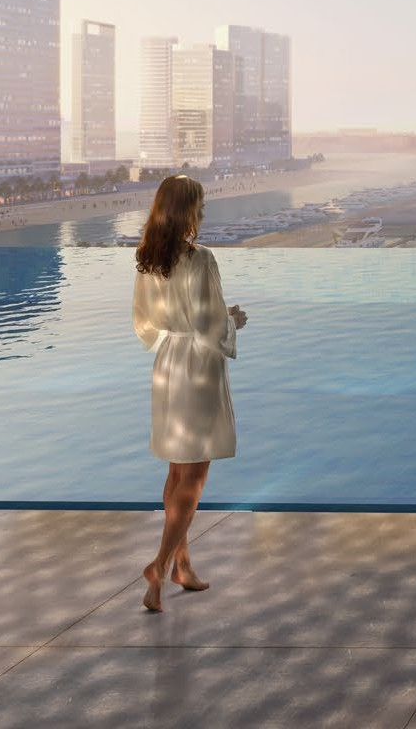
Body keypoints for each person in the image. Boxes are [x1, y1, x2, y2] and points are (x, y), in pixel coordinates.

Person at [131, 174, 248, 612]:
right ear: (188, 210)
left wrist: (201, 323)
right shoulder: (201, 259)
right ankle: (158, 567)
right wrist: (234, 320)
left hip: (168, 364)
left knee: (177, 473)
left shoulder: (147, 259)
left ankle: (183, 567)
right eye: (200, 204)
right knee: (195, 478)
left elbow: (145, 320)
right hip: (198, 367)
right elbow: (210, 322)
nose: (203, 211)